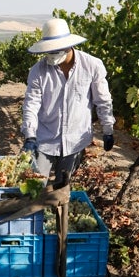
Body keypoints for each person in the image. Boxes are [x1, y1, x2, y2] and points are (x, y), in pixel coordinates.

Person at [21, 18, 115, 187]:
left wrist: (108, 129)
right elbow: (31, 104)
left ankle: (57, 212)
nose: (51, 55)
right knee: (34, 186)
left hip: (75, 140)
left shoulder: (92, 66)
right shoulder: (38, 71)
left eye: (55, 50)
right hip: (44, 139)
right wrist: (30, 136)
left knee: (62, 188)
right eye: (48, 51)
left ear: (68, 46)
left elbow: (103, 100)